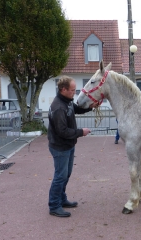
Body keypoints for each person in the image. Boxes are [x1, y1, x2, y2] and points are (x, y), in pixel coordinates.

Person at [47, 75, 97, 218]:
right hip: (60, 147)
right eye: (72, 90)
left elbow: (75, 109)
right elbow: (62, 131)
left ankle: (61, 199)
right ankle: (54, 206)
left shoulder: (66, 101)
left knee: (65, 175)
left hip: (68, 145)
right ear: (63, 89)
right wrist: (81, 132)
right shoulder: (58, 107)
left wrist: (90, 107)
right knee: (60, 176)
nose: (74, 93)